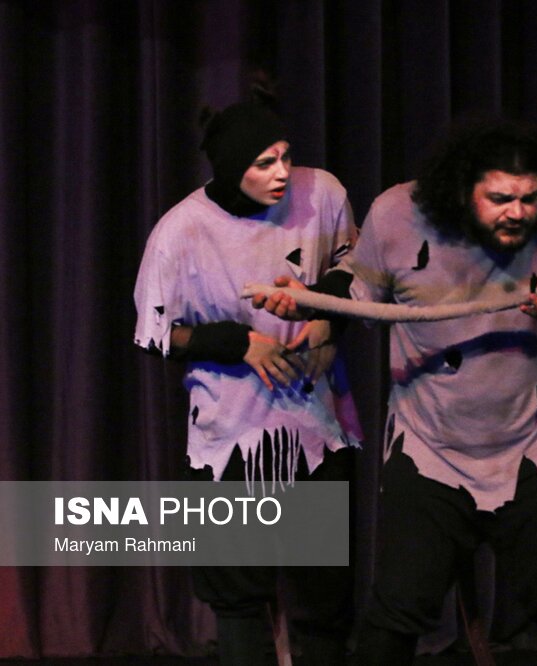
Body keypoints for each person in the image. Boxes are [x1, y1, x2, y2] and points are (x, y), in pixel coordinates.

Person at [255, 119, 537, 665]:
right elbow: (357, 284)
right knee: (397, 610)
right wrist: (310, 300)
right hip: (430, 450)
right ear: (461, 190)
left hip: (535, 446)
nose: (518, 212)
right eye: (500, 199)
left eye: (528, 198)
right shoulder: (398, 214)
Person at [133, 94, 362, 666]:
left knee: (323, 596)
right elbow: (154, 333)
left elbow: (357, 268)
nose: (281, 172)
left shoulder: (322, 194)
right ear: (233, 168)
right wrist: (239, 343)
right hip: (230, 434)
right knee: (237, 596)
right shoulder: (181, 231)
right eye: (263, 163)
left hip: (313, 428)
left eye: (285, 155)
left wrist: (326, 319)